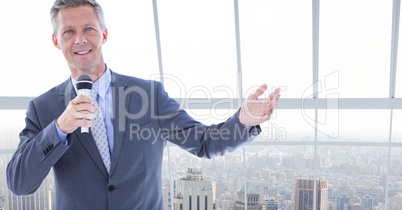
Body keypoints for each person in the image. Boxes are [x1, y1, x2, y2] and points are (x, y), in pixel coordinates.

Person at [6, 0, 281, 209]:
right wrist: (59, 129)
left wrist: (244, 121)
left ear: (104, 34)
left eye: (89, 28)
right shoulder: (42, 109)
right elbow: (19, 184)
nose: (80, 39)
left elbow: (205, 143)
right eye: (68, 32)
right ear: (56, 41)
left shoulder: (147, 95)